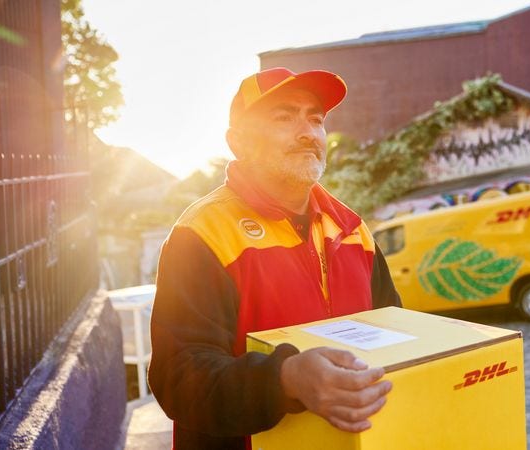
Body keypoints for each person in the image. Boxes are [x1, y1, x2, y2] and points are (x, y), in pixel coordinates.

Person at [148, 67, 402, 450]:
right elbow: (178, 378)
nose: (307, 132)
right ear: (238, 142)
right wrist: (284, 379)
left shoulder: (353, 231)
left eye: (315, 119)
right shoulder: (201, 234)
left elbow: (398, 341)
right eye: (284, 117)